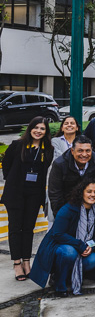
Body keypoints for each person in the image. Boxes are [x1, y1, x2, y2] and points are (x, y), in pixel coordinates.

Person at [30, 179, 95, 297]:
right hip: (58, 246)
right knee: (69, 252)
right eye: (89, 191)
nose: (92, 195)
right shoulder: (68, 209)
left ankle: (69, 275)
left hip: (81, 248)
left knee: (93, 259)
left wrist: (90, 246)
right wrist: (80, 245)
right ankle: (59, 283)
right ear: (82, 192)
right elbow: (57, 234)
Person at [2, 117, 53, 280]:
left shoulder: (47, 149)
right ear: (30, 128)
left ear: (46, 132)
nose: (39, 131)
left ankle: (26, 261)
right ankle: (17, 263)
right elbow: (7, 166)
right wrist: (13, 181)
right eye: (36, 127)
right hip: (15, 193)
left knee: (28, 228)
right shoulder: (17, 145)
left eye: (42, 128)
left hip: (34, 193)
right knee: (15, 228)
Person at [48, 136, 95, 216]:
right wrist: (59, 215)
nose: (84, 154)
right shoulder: (60, 164)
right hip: (67, 206)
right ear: (72, 151)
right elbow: (55, 193)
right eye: (80, 151)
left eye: (88, 151)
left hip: (90, 206)